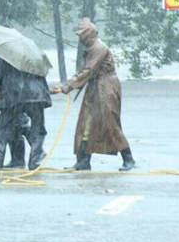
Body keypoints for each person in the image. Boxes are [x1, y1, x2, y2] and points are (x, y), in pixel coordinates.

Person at [51, 18, 135, 171]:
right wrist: (65, 85)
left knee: (111, 123)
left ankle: (128, 158)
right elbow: (85, 71)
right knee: (86, 123)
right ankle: (83, 160)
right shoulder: (92, 47)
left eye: (81, 35)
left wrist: (67, 86)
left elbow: (88, 70)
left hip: (106, 87)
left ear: (88, 34)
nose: (80, 38)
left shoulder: (99, 48)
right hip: (94, 87)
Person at [0, 55, 51, 170]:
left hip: (14, 95)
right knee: (36, 129)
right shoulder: (34, 55)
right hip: (37, 95)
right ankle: (35, 159)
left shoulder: (4, 54)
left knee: (2, 129)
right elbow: (43, 73)